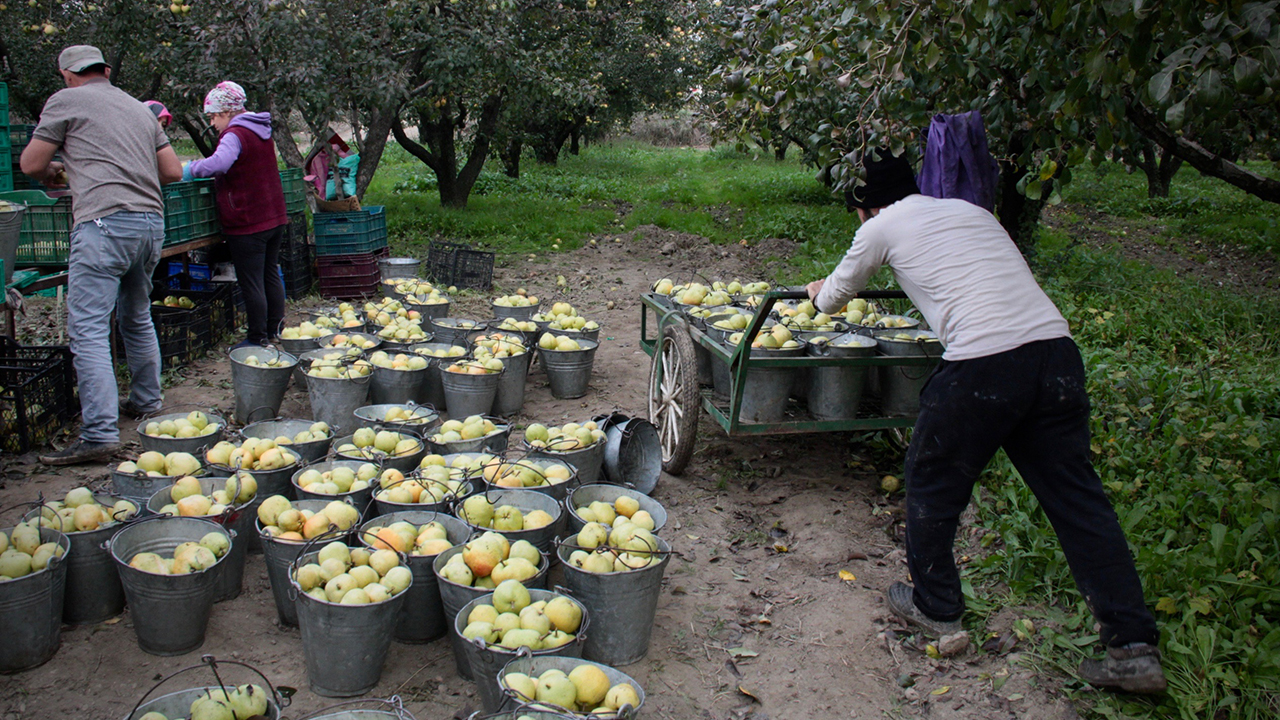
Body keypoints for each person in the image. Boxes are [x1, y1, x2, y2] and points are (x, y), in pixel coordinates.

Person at [807, 149, 1166, 693]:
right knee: (1077, 499)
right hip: (1055, 354)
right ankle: (1132, 646)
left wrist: (817, 291)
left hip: (984, 363)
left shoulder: (879, 227)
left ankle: (936, 607)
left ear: (863, 205)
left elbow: (833, 299)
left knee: (932, 481)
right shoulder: (972, 211)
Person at [20, 45, 184, 466]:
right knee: (136, 315)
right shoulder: (138, 108)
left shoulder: (66, 100)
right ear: (106, 71)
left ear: (66, 74)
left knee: (89, 329)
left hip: (103, 226)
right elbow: (172, 172)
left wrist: (55, 169)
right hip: (149, 225)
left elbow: (30, 163)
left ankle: (98, 433)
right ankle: (147, 401)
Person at [183, 81, 287, 348]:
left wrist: (190, 169)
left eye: (213, 116)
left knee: (251, 280)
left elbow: (220, 163)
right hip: (273, 215)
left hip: (248, 219)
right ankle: (275, 329)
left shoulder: (235, 134)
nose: (213, 123)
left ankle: (257, 339)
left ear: (226, 112)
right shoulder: (261, 130)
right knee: (269, 274)